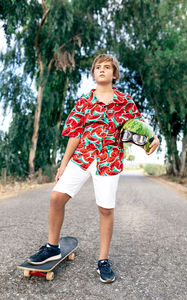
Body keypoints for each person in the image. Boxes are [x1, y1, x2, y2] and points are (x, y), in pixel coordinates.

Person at [28, 54, 159, 283]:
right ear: (93, 73)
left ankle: (103, 260)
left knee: (106, 210)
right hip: (82, 157)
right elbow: (75, 134)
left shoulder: (125, 102)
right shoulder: (84, 101)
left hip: (109, 161)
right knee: (56, 198)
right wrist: (63, 164)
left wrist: (154, 140)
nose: (101, 70)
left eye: (106, 67)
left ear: (114, 74)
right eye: (98, 67)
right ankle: (52, 247)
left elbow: (141, 129)